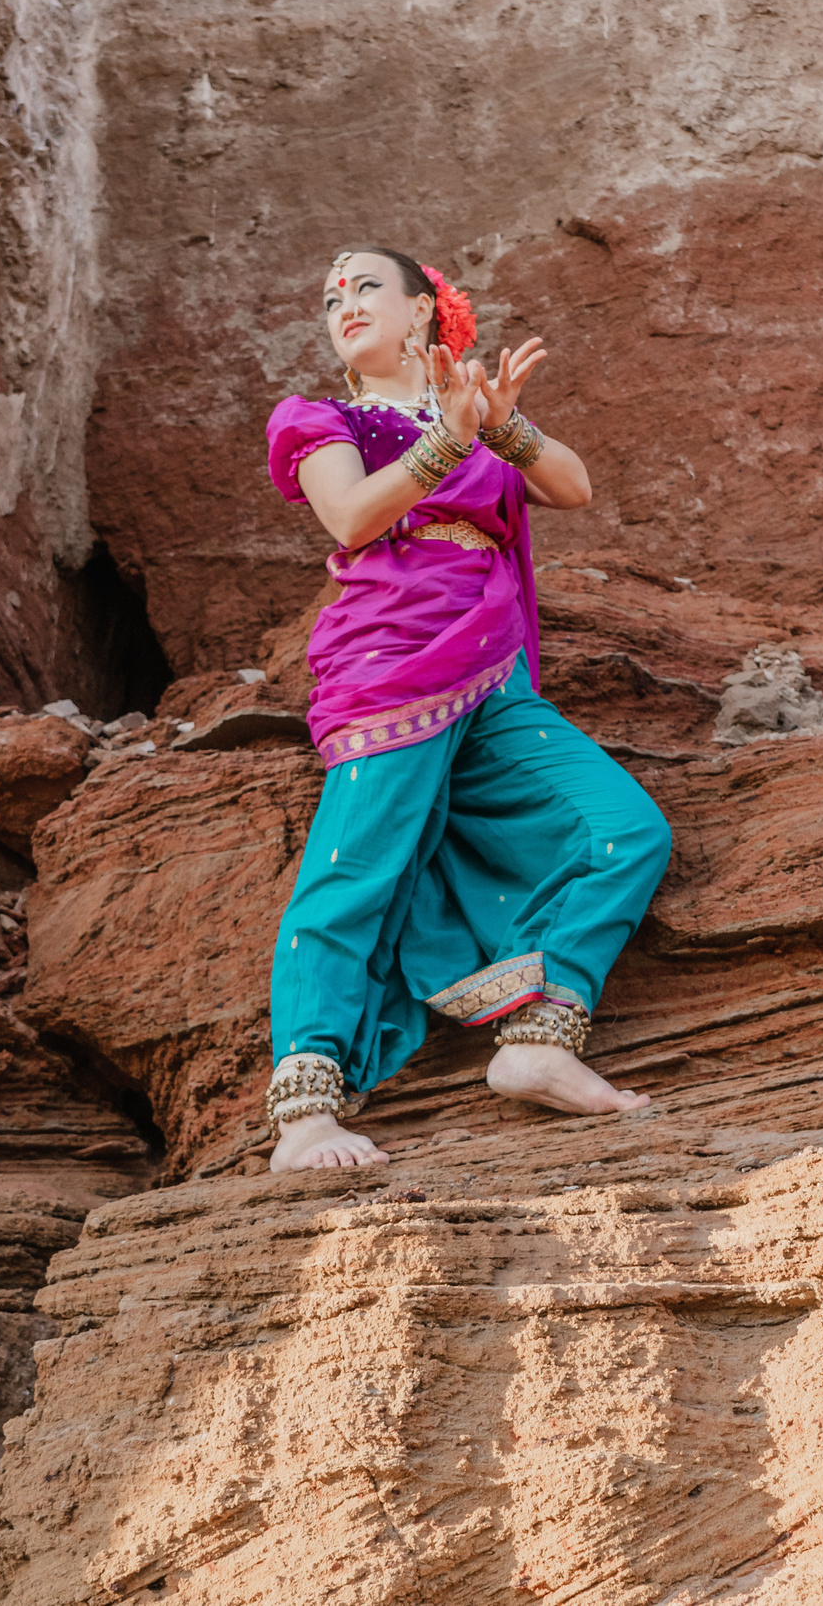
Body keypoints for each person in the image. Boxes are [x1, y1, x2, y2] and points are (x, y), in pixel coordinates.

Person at [259, 247, 674, 1172]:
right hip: (391, 663)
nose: (343, 306)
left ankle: (538, 1038)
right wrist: (449, 437)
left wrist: (500, 422)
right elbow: (353, 518)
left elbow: (572, 486)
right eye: (331, 298)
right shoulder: (322, 418)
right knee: (353, 873)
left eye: (367, 287)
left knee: (624, 828)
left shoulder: (476, 413)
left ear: (425, 314)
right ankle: (305, 1109)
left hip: (492, 671)